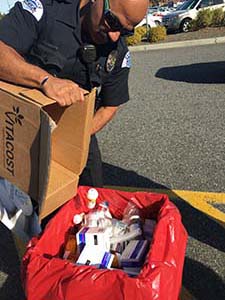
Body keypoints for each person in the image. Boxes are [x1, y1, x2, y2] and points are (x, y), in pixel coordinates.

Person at [0, 0, 148, 188]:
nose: (114, 36)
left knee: (91, 199)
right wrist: (45, 80)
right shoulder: (44, 10)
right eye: (112, 21)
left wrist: (74, 138)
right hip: (19, 122)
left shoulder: (118, 52)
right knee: (18, 202)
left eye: (126, 31)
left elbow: (109, 106)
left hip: (76, 132)